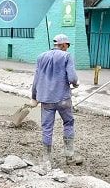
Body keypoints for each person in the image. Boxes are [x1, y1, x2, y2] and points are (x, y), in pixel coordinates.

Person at [29, 34, 82, 168]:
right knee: (68, 123)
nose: (67, 49)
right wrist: (76, 83)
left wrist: (34, 97)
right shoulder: (66, 56)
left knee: (47, 128)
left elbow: (36, 78)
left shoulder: (41, 57)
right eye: (67, 46)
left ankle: (46, 159)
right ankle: (69, 156)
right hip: (63, 98)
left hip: (46, 99)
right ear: (63, 45)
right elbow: (72, 77)